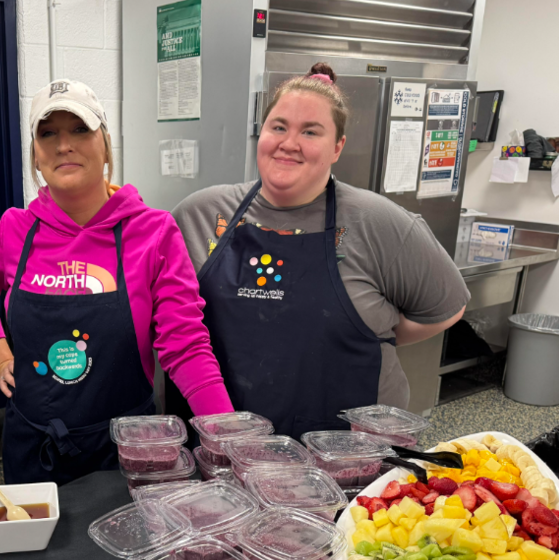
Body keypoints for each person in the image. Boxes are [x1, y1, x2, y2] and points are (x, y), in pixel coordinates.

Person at [0, 79, 231, 485]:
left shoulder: (153, 232)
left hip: (130, 452)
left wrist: (225, 434)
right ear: (36, 156)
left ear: (105, 145)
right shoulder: (14, 231)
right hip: (35, 452)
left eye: (80, 129)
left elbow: (185, 344)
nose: (64, 145)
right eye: (48, 134)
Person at [171, 63, 469, 439]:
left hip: (346, 448)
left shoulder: (378, 221)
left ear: (337, 147)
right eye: (278, 127)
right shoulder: (199, 215)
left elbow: (446, 308)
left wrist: (365, 333)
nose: (289, 143)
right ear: (261, 133)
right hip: (223, 443)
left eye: (310, 131)